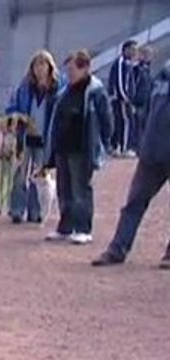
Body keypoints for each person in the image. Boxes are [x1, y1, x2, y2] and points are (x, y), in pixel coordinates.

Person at [92, 59, 170, 269]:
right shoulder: (162, 75)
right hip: (151, 153)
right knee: (133, 204)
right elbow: (146, 112)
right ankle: (117, 249)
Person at [43, 50, 113, 245]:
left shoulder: (95, 91)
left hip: (82, 149)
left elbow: (107, 120)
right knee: (64, 189)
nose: (69, 73)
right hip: (63, 148)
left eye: (73, 69)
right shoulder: (64, 91)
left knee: (80, 189)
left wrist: (104, 146)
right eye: (68, 70)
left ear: (85, 68)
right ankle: (65, 227)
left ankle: (83, 228)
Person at [5, 50, 62, 224]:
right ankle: (16, 209)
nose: (40, 68)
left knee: (40, 176)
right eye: (37, 64)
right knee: (20, 174)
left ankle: (36, 211)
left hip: (45, 138)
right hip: (25, 137)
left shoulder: (57, 88)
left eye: (43, 64)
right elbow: (13, 106)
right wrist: (15, 118)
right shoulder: (24, 87)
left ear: (50, 67)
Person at [109, 40, 138, 157]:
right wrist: (124, 96)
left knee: (122, 121)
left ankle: (118, 146)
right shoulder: (120, 62)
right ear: (126, 49)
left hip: (126, 98)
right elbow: (119, 81)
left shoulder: (128, 63)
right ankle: (124, 147)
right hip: (121, 99)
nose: (135, 52)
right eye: (133, 49)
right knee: (126, 121)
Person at [133, 46, 154, 151]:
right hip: (138, 101)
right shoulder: (137, 69)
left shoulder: (147, 69)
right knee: (138, 125)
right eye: (147, 54)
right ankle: (137, 146)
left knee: (144, 124)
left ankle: (141, 146)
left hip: (146, 101)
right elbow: (134, 85)